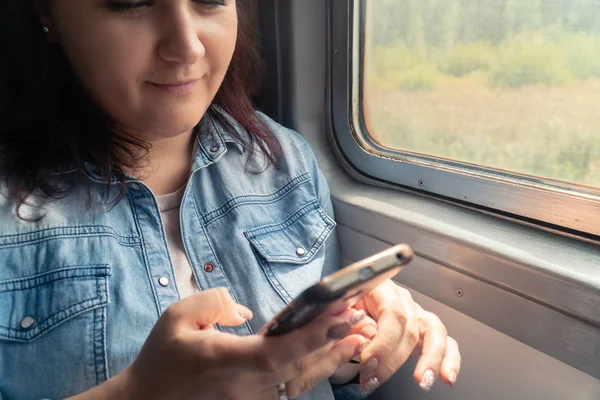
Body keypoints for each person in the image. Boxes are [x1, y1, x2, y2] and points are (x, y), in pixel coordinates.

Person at [0, 1, 461, 399]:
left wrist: (352, 337)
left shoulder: (282, 158)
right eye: (131, 1)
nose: (187, 47)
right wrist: (139, 392)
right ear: (48, 12)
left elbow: (326, 377)